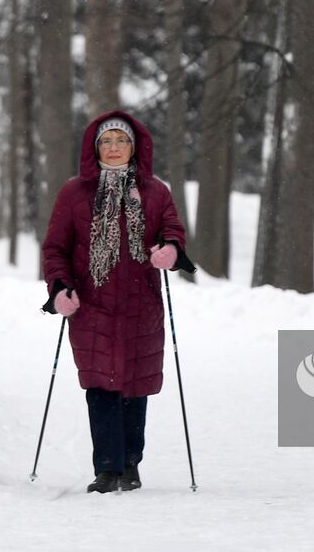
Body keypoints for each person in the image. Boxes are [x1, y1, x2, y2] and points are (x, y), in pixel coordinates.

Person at [41, 109, 195, 494]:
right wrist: (60, 288)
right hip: (91, 304)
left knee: (135, 386)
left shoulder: (155, 191)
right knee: (101, 385)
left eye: (121, 140)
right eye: (106, 141)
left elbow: (172, 230)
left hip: (141, 304)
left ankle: (131, 463)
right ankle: (107, 467)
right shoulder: (74, 193)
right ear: (94, 148)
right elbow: (56, 248)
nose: (113, 148)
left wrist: (170, 250)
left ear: (135, 146)